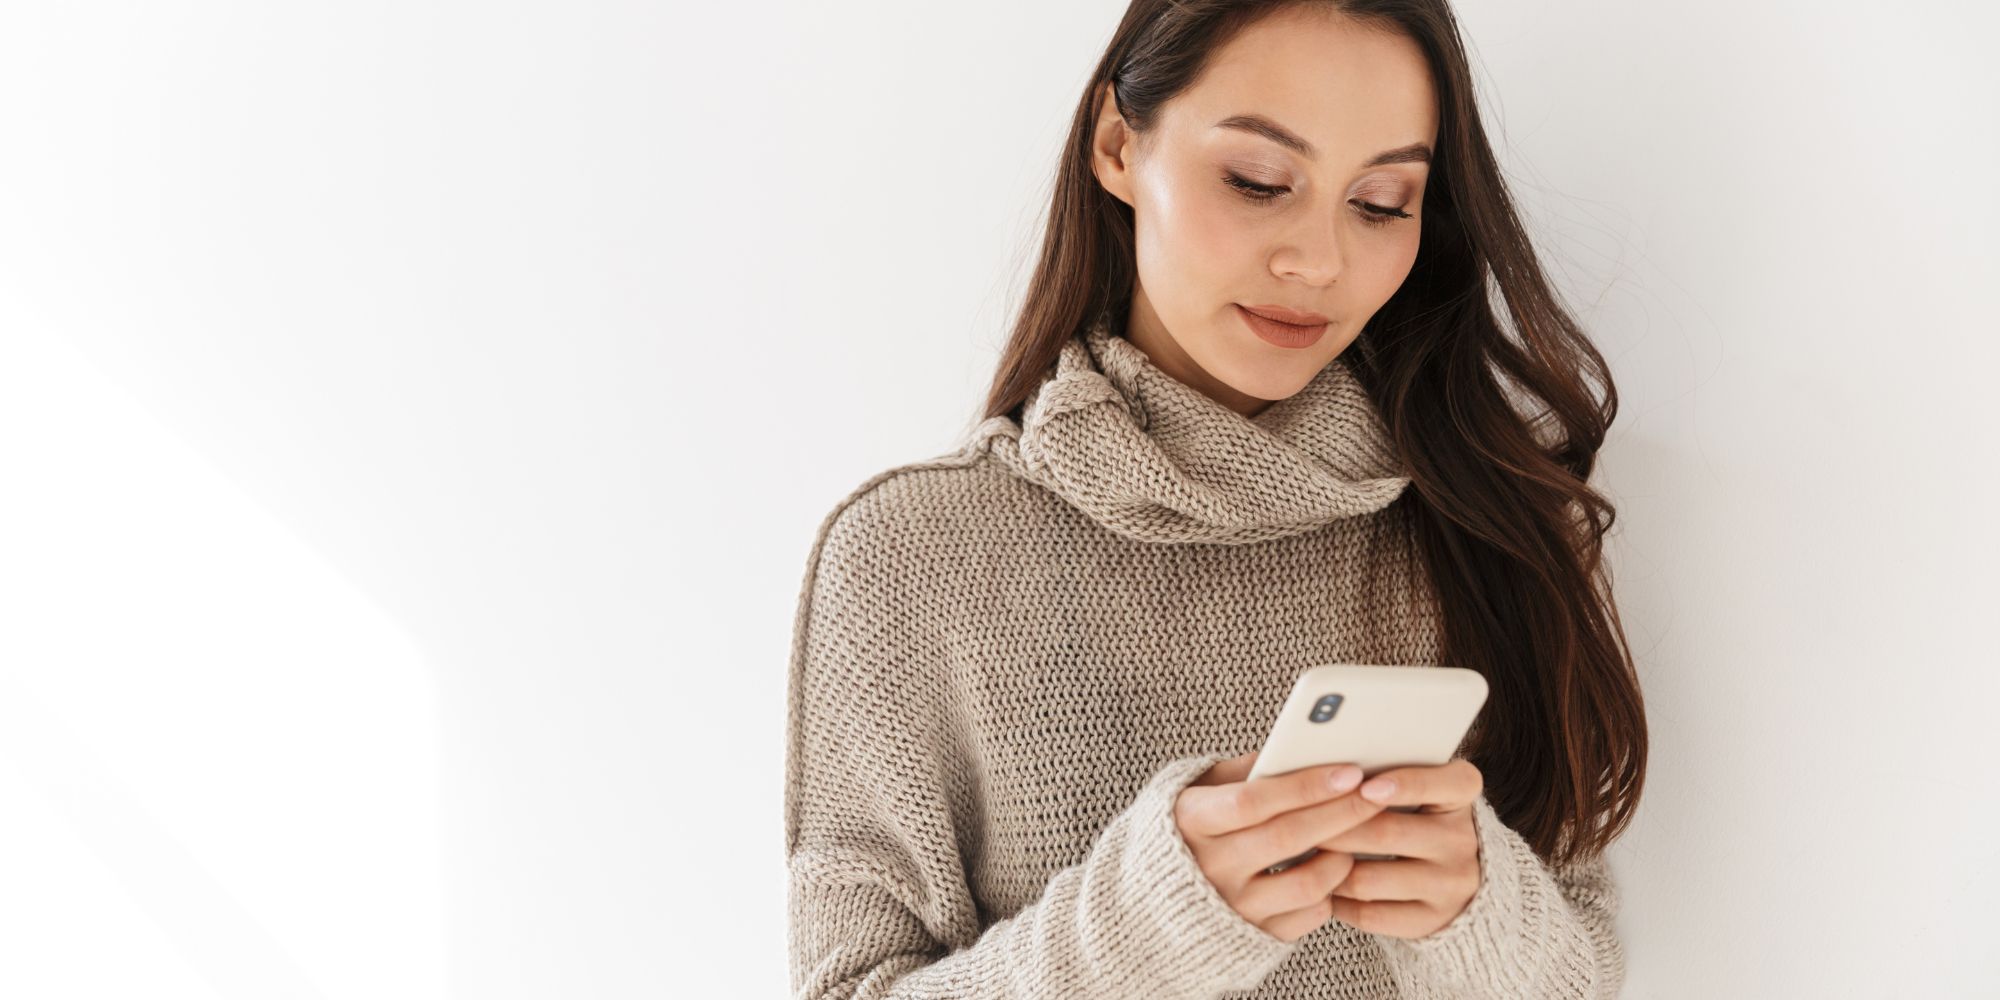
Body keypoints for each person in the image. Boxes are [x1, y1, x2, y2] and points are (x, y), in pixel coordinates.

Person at [782, 1, 1648, 997]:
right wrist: (1146, 927)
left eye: (1380, 201)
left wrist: (1473, 916)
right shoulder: (910, 551)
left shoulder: (1489, 515)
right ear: (1116, 145)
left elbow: (1577, 975)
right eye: (1257, 180)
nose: (1317, 261)